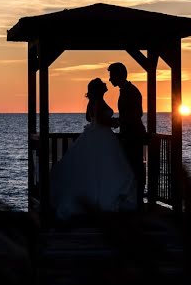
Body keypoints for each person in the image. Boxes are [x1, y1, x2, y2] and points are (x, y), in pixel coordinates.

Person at [50, 78, 137, 221]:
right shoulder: (99, 102)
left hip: (94, 134)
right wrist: (115, 122)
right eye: (102, 84)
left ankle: (95, 199)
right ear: (99, 89)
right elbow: (102, 121)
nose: (105, 84)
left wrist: (102, 121)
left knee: (96, 168)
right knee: (107, 168)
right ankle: (104, 200)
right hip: (102, 137)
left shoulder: (93, 102)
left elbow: (88, 118)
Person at [107, 62, 147, 209]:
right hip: (128, 135)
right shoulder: (126, 90)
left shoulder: (131, 91)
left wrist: (119, 121)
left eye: (112, 76)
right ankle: (133, 199)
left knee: (136, 168)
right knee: (130, 167)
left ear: (119, 75)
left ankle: (138, 200)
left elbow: (137, 114)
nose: (110, 79)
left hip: (134, 136)